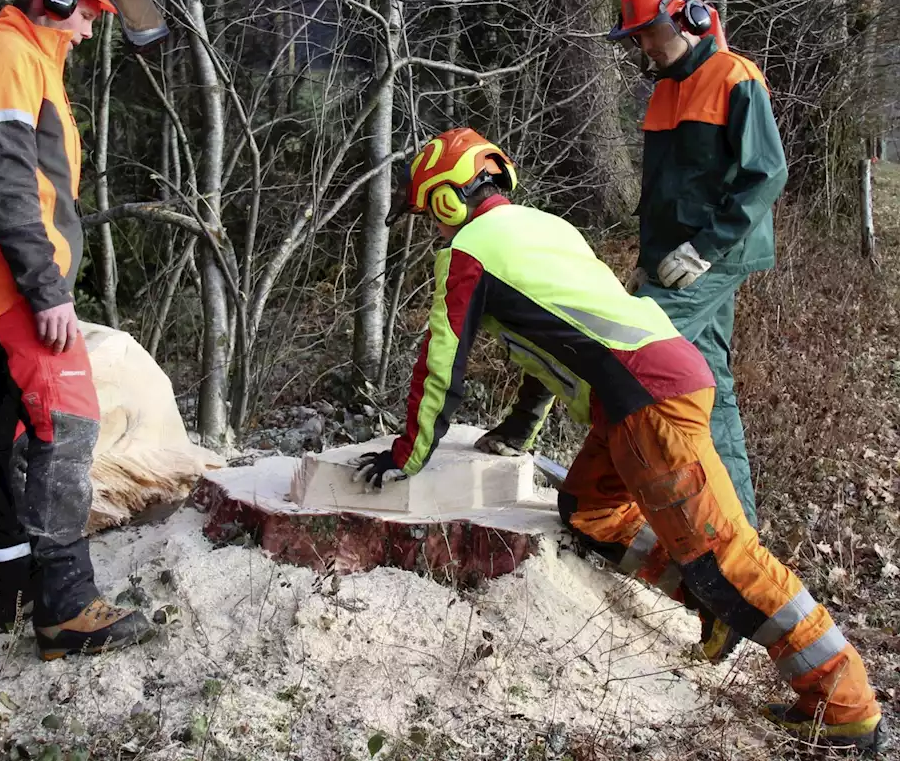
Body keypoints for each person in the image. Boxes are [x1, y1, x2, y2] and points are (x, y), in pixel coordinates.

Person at [353, 127, 888, 753]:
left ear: (448, 199)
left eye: (431, 216)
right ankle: (709, 604)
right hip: (641, 389)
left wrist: (405, 454)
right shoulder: (543, 228)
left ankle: (844, 703)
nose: (433, 231)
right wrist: (521, 429)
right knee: (589, 512)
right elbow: (559, 336)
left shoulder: (470, 250)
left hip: (647, 403)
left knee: (726, 553)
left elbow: (441, 362)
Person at [0, 0, 167, 661]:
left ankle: (13, 586)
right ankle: (65, 607)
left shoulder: (28, 62)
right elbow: (5, 184)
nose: (94, 26)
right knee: (68, 426)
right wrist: (44, 287)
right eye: (89, 10)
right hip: (11, 288)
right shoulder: (5, 59)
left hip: (0, 284)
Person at [606, 0, 786, 535]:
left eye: (644, 33)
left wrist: (705, 249)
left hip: (718, 252)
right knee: (712, 380)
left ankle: (624, 502)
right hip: (671, 253)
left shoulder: (736, 77)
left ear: (685, 17)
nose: (640, 46)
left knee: (634, 345)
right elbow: (662, 190)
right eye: (633, 36)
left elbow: (766, 174)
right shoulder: (663, 90)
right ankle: (742, 529)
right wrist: (647, 255)